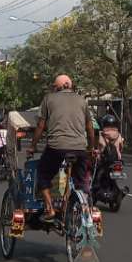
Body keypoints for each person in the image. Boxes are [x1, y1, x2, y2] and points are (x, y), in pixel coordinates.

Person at [28, 74, 97, 223]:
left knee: (43, 174)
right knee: (80, 181)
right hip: (80, 148)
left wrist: (32, 146)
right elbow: (90, 128)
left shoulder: (49, 99)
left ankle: (50, 208)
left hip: (56, 147)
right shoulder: (82, 100)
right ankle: (82, 205)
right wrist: (91, 148)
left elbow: (40, 126)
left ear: (57, 87)